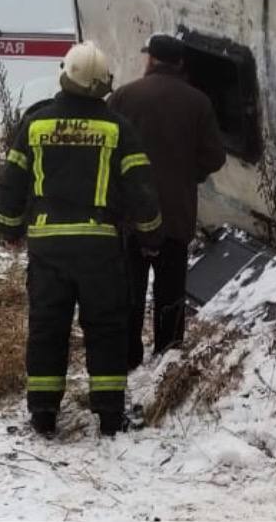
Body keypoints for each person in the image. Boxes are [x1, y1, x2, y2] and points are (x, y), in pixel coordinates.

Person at [0, 41, 162, 438]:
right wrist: (151, 234)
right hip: (99, 248)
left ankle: (42, 413)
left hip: (48, 246)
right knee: (106, 329)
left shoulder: (35, 125)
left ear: (64, 75)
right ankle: (108, 415)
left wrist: (10, 228)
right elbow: (141, 187)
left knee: (47, 328)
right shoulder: (117, 128)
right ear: (103, 85)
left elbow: (12, 181)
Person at [108, 33, 226, 369]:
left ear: (150, 60)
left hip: (130, 214)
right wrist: (191, 174)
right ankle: (168, 354)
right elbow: (215, 157)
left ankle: (129, 354)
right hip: (175, 213)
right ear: (180, 64)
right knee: (170, 288)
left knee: (130, 287)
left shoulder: (123, 97)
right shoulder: (198, 102)